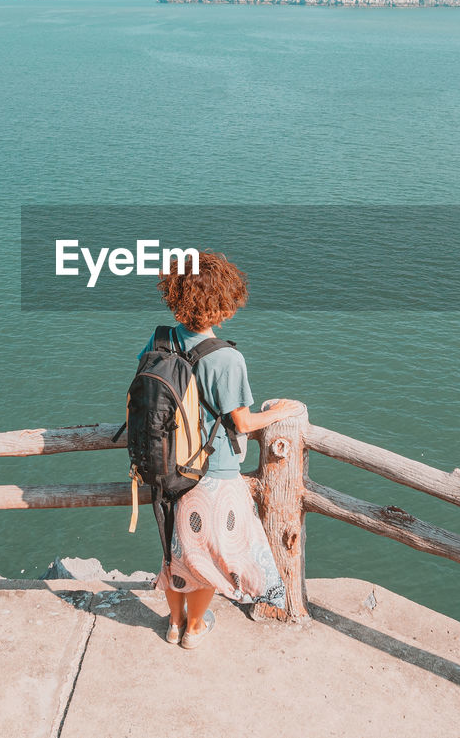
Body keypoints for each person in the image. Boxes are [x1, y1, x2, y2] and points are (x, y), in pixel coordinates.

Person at [139, 250, 288, 649]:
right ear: (224, 303)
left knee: (175, 553)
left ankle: (173, 624)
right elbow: (241, 422)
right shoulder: (226, 358)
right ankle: (194, 628)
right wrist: (281, 413)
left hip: (164, 467)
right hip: (213, 472)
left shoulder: (159, 340)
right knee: (204, 559)